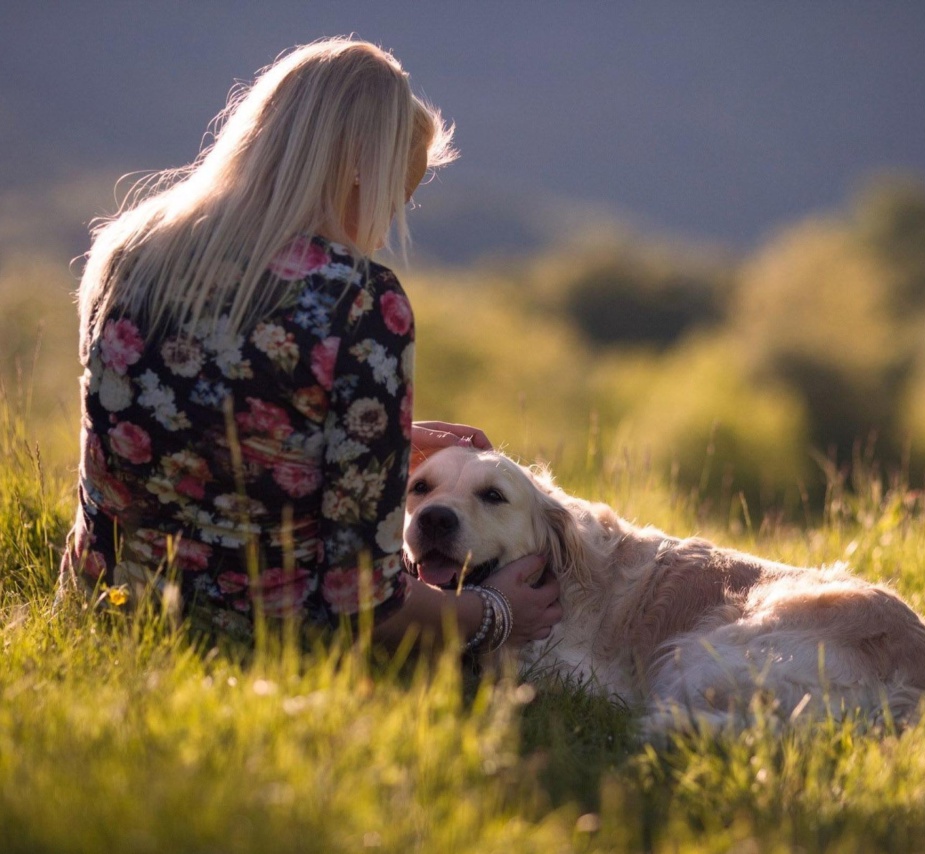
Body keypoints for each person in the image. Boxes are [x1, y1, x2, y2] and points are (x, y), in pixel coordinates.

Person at [59, 37, 561, 652]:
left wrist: (377, 448)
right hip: (263, 641)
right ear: (358, 173)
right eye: (391, 198)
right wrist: (496, 613)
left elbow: (173, 432)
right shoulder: (359, 298)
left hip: (105, 610)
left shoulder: (126, 252)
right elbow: (366, 603)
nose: (377, 234)